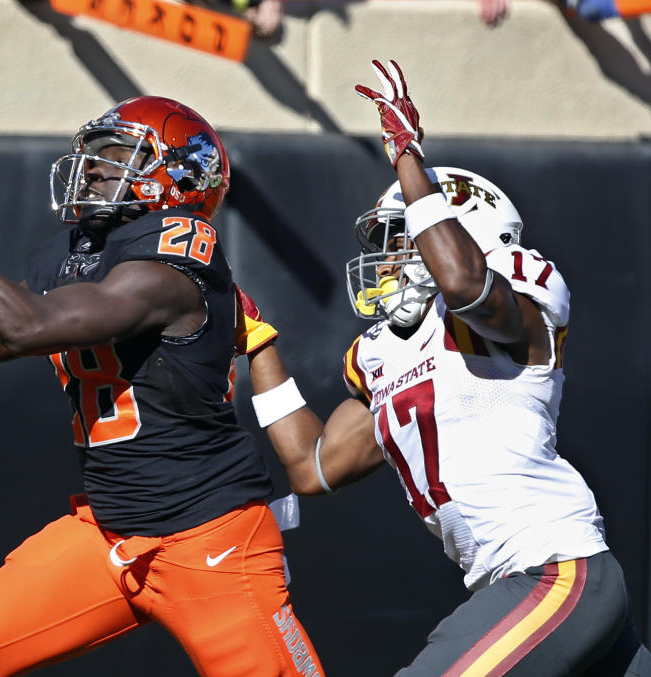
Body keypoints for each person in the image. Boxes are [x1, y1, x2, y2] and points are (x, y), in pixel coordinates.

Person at [0, 96, 325, 677]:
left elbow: (26, 325)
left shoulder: (176, 264)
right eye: (91, 155)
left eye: (118, 155)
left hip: (209, 540)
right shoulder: (76, 257)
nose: (93, 168)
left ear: (179, 178)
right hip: (107, 531)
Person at [239, 59, 651, 675]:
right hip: (513, 586)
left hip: (554, 573)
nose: (383, 263)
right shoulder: (384, 351)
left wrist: (408, 159)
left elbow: (462, 284)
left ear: (464, 228)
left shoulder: (515, 295)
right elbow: (312, 465)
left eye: (398, 240)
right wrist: (258, 343)